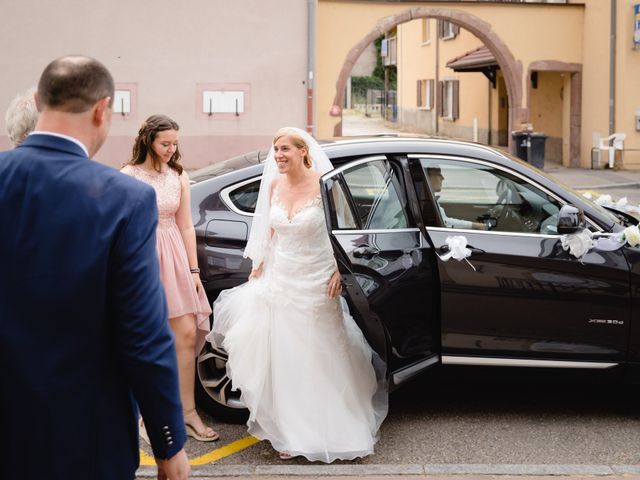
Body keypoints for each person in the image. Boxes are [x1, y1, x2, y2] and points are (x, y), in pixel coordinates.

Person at [0, 56, 189, 480]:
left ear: (37, 100)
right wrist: (168, 442)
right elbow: (143, 333)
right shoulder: (122, 198)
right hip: (84, 433)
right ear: (103, 109)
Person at [206, 127, 387, 462]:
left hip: (318, 279)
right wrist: (259, 265)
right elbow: (270, 232)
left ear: (304, 151)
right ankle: (290, 430)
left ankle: (327, 427)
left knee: (318, 353)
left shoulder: (325, 184)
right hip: (281, 277)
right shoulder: (274, 184)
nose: (278, 156)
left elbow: (345, 233)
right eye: (275, 150)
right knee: (284, 355)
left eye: (285, 149)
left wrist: (339, 271)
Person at [122, 114, 217, 443]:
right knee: (149, 338)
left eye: (175, 143)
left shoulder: (178, 175)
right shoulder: (129, 175)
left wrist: (193, 271)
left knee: (187, 335)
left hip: (174, 255)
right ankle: (149, 416)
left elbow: (186, 225)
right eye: (165, 143)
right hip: (143, 256)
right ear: (148, 140)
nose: (171, 149)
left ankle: (188, 411)